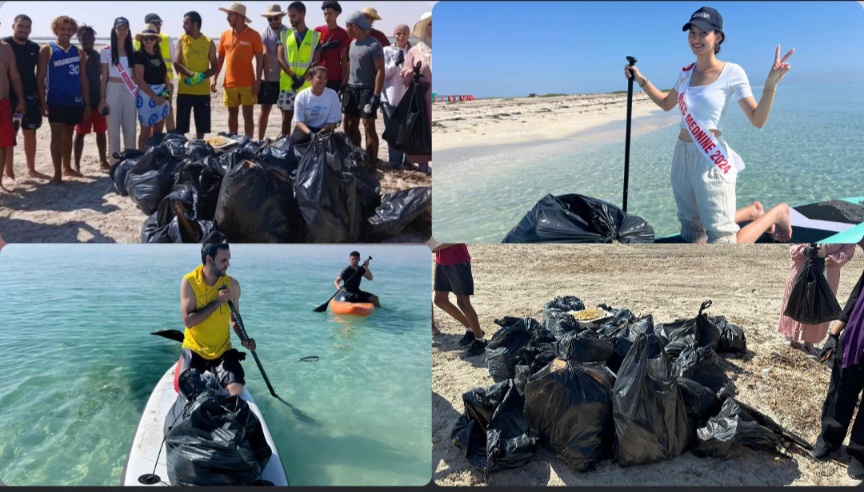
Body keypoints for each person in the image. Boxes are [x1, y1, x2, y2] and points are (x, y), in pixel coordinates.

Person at [624, 6, 794, 244]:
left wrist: (770, 85)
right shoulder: (685, 74)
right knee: (693, 235)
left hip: (710, 159)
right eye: (692, 32)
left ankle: (776, 213)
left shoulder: (732, 72)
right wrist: (640, 78)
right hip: (681, 156)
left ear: (718, 37)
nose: (696, 38)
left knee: (724, 243)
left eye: (703, 33)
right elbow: (665, 103)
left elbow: (758, 119)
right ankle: (750, 212)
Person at [813, 239, 864, 478]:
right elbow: (855, 299)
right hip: (856, 337)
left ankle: (860, 453)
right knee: (841, 390)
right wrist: (834, 334)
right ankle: (829, 438)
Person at [180, 243, 256, 397]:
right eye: (223, 260)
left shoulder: (232, 285)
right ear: (209, 259)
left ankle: (215, 384)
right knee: (189, 392)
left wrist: (244, 339)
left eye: (228, 259)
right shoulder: (190, 282)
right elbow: (188, 321)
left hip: (222, 351)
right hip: (195, 349)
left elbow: (234, 318)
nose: (228, 264)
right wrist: (218, 302)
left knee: (236, 391)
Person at [37, 15, 90, 184]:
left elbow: (83, 79)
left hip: (74, 101)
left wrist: (87, 103)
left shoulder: (78, 52)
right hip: (55, 100)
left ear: (73, 32)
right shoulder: (47, 49)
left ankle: (67, 167)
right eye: (62, 29)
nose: (65, 33)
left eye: (69, 30)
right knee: (56, 135)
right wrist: (42, 102)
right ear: (56, 30)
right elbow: (41, 77)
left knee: (69, 133)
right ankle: (57, 173)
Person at [778, 243, 856, 354]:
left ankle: (809, 342)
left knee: (820, 304)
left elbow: (847, 251)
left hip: (828, 271)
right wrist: (804, 250)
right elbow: (794, 243)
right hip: (802, 265)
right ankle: (789, 335)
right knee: (794, 298)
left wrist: (828, 260)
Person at [3, 14, 50, 182]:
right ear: (13, 26)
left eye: (27, 27)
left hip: (30, 96)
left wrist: (42, 97)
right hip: (10, 97)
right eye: (21, 26)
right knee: (9, 135)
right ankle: (8, 170)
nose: (24, 30)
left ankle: (31, 169)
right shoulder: (5, 45)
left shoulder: (34, 47)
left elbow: (41, 75)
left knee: (30, 133)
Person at [213, 2, 264, 138]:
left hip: (248, 83)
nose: (227, 18)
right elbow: (220, 60)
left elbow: (260, 61)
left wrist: (258, 81)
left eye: (230, 15)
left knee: (248, 115)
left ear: (239, 16)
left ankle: (249, 142)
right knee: (232, 114)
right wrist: (215, 78)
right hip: (229, 83)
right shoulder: (225, 35)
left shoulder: (254, 35)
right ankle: (233, 140)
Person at [342, 11, 383, 162]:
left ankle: (372, 161)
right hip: (351, 88)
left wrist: (376, 94)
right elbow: (351, 65)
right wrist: (343, 85)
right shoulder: (352, 43)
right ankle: (358, 156)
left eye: (346, 27)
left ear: (353, 26)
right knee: (350, 124)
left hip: (367, 89)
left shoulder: (373, 45)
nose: (345, 29)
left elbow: (380, 70)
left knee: (368, 125)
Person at [276, 1, 322, 138]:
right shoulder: (284, 35)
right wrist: (293, 76)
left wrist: (302, 78)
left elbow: (315, 61)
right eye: (289, 16)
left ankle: (304, 148)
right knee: (286, 118)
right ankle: (284, 147)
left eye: (293, 15)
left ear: (302, 14)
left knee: (306, 120)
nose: (290, 19)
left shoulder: (315, 37)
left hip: (307, 86)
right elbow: (280, 59)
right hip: (287, 85)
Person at [433, 243, 486, 357]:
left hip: (458, 261)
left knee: (463, 303)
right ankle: (472, 329)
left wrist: (435, 247)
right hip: (441, 260)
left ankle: (480, 340)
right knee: (440, 300)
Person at [99, 17, 138, 165]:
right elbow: (104, 77)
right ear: (114, 30)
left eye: (125, 29)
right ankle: (114, 164)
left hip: (129, 90)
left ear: (128, 31)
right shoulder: (106, 51)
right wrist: (102, 99)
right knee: (113, 130)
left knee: (130, 129)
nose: (122, 32)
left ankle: (130, 162)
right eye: (119, 29)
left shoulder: (132, 50)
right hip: (112, 90)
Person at [173, 11, 217, 140]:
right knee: (181, 127)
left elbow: (215, 66)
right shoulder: (182, 40)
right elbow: (176, 63)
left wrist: (202, 76)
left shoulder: (208, 42)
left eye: (186, 23)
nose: (183, 26)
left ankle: (199, 146)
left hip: (202, 92)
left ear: (195, 24)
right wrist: (193, 74)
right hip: (184, 89)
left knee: (202, 127)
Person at [73, 25, 109, 172]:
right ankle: (76, 164)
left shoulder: (99, 57)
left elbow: (105, 78)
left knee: (101, 132)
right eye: (84, 38)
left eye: (90, 38)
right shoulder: (75, 56)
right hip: (81, 102)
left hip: (98, 101)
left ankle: (103, 161)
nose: (87, 41)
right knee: (80, 133)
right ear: (79, 39)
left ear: (94, 39)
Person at [400, 11, 431, 174]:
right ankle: (423, 164)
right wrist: (411, 74)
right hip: (422, 96)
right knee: (421, 128)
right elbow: (405, 73)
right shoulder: (415, 51)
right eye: (430, 24)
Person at [134, 14, 176, 133]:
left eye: (152, 38)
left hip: (164, 92)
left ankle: (163, 144)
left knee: (160, 127)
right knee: (145, 132)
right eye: (146, 38)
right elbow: (140, 80)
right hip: (147, 96)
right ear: (142, 39)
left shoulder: (160, 50)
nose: (149, 40)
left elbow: (167, 74)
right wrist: (155, 97)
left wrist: (165, 96)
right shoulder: (138, 53)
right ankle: (144, 152)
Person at [0, 28, 27, 191]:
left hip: (3, 101)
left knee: (2, 144)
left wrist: (22, 100)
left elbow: (14, 76)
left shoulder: (5, 48)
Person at [381, 24, 410, 168]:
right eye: (398, 33)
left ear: (409, 35)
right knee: (392, 131)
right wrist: (394, 63)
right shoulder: (386, 51)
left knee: (407, 131)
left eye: (404, 33)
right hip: (389, 97)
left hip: (407, 98)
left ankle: (408, 161)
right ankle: (394, 161)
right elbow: (384, 73)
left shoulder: (412, 51)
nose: (401, 36)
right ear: (394, 34)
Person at [258, 4, 289, 140]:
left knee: (285, 111)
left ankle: (284, 141)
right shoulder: (264, 33)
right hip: (269, 78)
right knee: (265, 109)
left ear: (281, 17)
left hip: (284, 78)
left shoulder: (289, 32)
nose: (273, 21)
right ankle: (259, 140)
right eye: (269, 19)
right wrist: (261, 78)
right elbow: (263, 54)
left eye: (275, 18)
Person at [291, 63, 341, 144]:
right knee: (298, 141)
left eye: (325, 78)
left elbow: (333, 122)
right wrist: (310, 134)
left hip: (325, 129)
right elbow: (299, 121)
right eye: (319, 77)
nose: (323, 81)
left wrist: (321, 132)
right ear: (310, 79)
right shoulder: (301, 96)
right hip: (305, 129)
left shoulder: (332, 95)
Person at [314, 1, 350, 93]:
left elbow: (344, 58)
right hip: (319, 75)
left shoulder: (343, 33)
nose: (327, 17)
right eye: (325, 14)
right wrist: (324, 47)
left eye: (330, 14)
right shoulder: (317, 31)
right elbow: (312, 54)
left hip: (335, 76)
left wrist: (342, 78)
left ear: (337, 14)